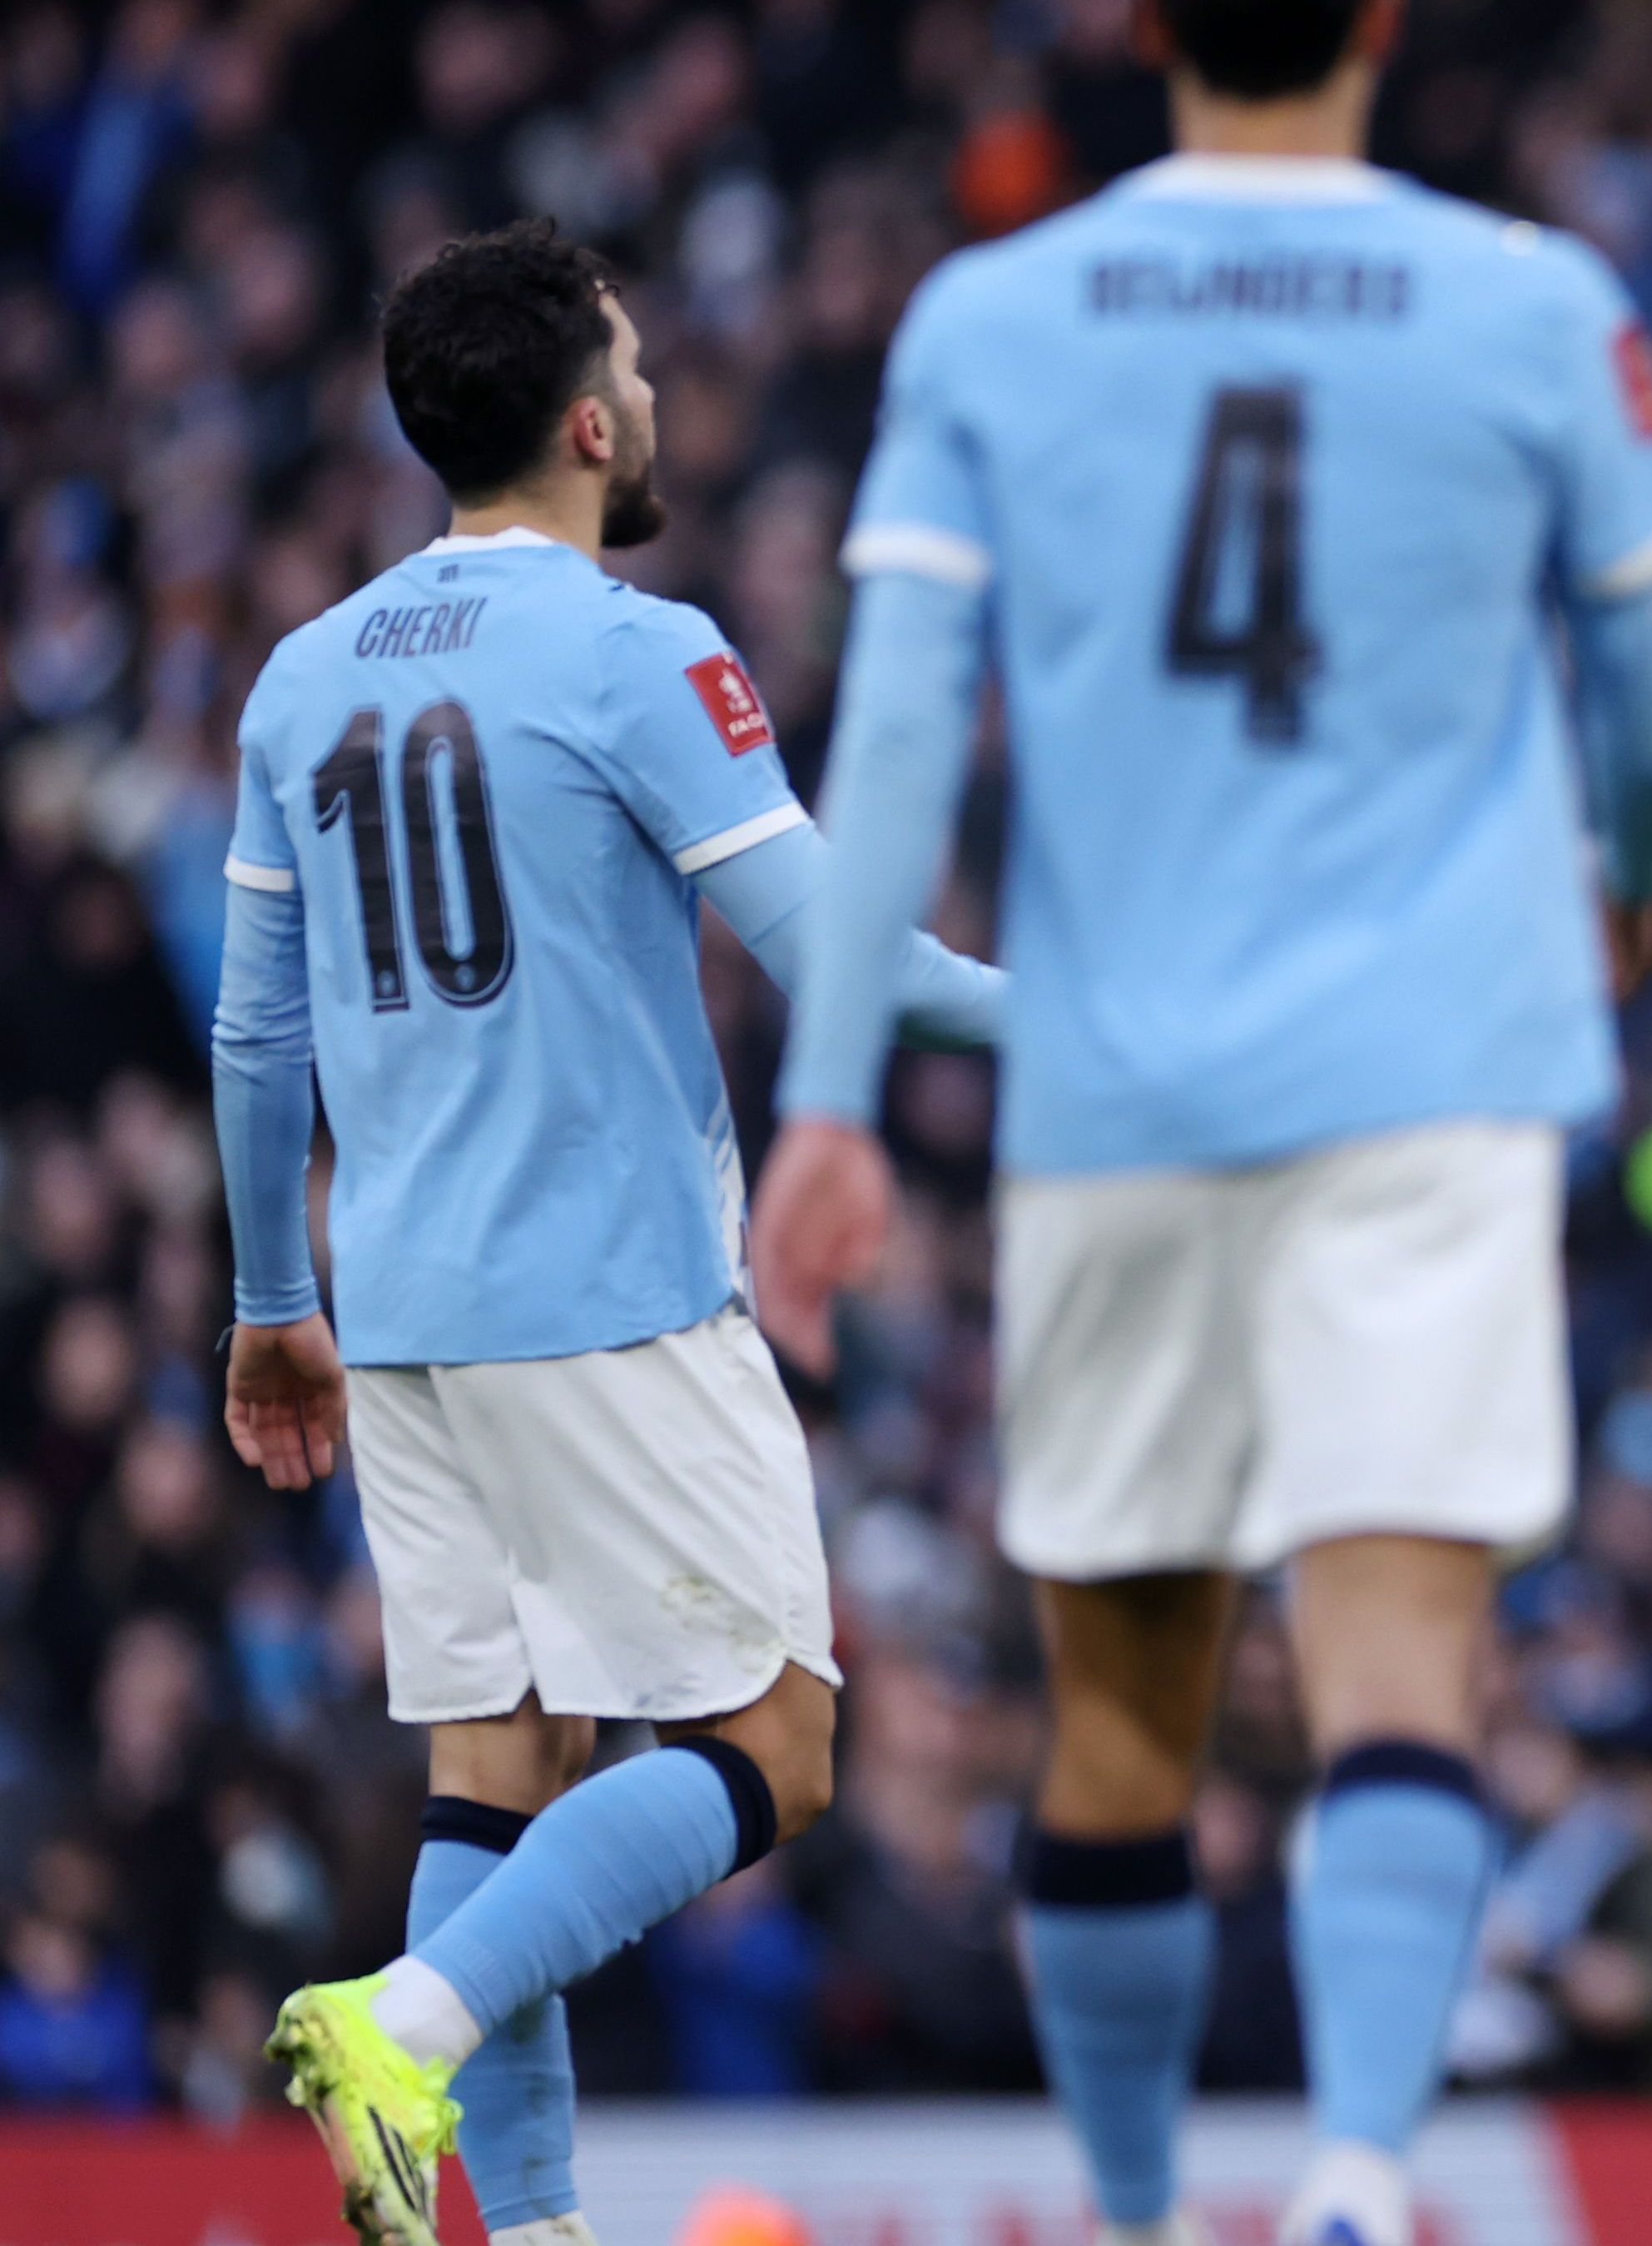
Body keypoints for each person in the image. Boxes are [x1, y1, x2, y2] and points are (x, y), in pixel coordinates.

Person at [742, 0, 1652, 2238]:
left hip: (1117, 1086)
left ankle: (1131, 2200)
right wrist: (1634, 878)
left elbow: (895, 728)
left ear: (1139, 26)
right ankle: (1366, 2162)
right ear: (1380, 21)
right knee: (1398, 1649)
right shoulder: (1529, 300)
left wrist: (828, 1098)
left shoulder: (990, 315)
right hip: (1431, 1065)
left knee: (1122, 1710)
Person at [222, 221, 1004, 2246]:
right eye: (637, 374)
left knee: (507, 1769)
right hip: (607, 1296)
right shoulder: (638, 651)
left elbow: (256, 1024)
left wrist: (268, 1301)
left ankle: (537, 2223)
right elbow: (844, 961)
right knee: (780, 1737)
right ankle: (407, 2016)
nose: (652, 401)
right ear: (586, 420)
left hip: (395, 1311)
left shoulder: (302, 678)